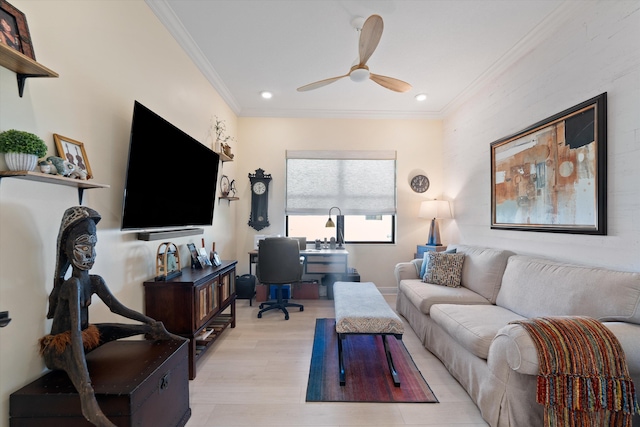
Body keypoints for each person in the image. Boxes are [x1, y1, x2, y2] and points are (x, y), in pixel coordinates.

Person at [39, 206, 183, 427]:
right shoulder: (73, 285)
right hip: (62, 348)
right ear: (67, 250)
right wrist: (85, 380)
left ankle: (157, 332)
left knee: (129, 328)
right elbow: (75, 336)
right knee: (83, 375)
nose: (90, 254)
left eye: (93, 246)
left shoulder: (94, 281)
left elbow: (119, 308)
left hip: (87, 336)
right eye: (83, 246)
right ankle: (89, 403)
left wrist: (150, 323)